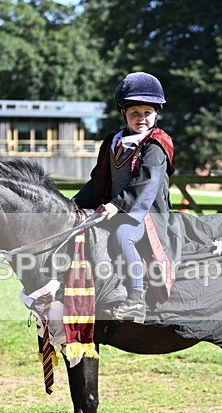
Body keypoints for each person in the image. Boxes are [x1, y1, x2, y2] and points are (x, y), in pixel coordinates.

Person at [73, 72, 176, 323]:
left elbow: (146, 183)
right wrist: (73, 204)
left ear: (156, 113)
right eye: (134, 113)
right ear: (123, 113)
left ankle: (135, 299)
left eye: (147, 113)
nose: (141, 119)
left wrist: (117, 205)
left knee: (123, 235)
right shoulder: (113, 141)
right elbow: (99, 180)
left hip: (146, 212)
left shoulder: (156, 144)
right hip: (115, 208)